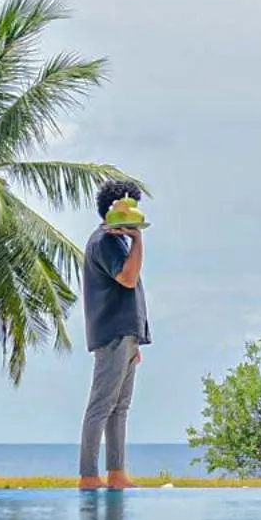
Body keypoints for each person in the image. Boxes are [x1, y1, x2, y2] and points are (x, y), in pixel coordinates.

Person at [81, 179, 150, 490]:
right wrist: (138, 241)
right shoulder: (106, 241)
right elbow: (127, 277)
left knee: (120, 406)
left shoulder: (117, 241)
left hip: (125, 334)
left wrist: (135, 338)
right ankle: (88, 475)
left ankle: (116, 472)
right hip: (112, 333)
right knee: (102, 404)